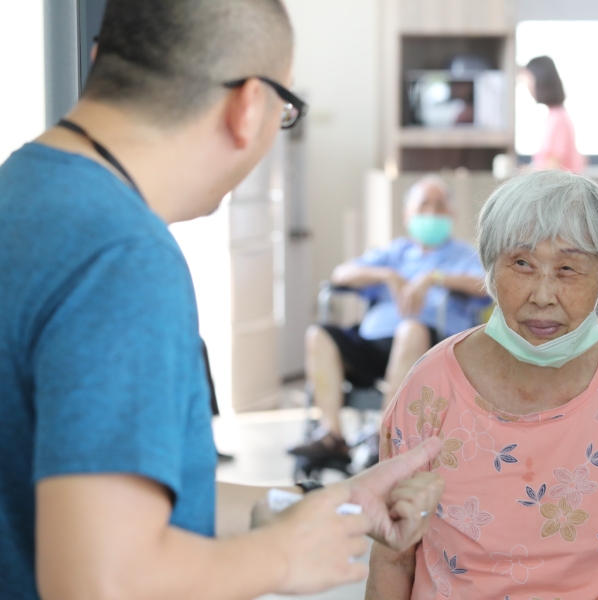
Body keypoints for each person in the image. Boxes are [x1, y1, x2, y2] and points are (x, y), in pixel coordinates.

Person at [0, 1, 445, 598]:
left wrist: (324, 504)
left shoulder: (22, 190)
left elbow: (98, 502)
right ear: (249, 106)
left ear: (99, 62)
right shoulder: (124, 256)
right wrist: (280, 558)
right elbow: (100, 581)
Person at [367, 170, 598, 600]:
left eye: (569, 268)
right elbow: (393, 558)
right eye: (521, 264)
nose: (542, 294)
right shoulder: (429, 389)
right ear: (488, 268)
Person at [291, 175, 488, 464]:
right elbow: (341, 275)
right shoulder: (394, 253)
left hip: (430, 348)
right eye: (424, 206)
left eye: (440, 206)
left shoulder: (463, 255)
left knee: (410, 329)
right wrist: (387, 275)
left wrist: (434, 278)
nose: (432, 213)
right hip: (376, 345)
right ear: (407, 214)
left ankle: (382, 436)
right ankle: (332, 435)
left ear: (452, 214)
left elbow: (487, 286)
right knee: (318, 334)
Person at [524, 56, 587, 174]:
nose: (527, 86)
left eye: (529, 80)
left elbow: (551, 168)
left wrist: (527, 173)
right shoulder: (556, 115)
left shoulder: (557, 118)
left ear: (540, 80)